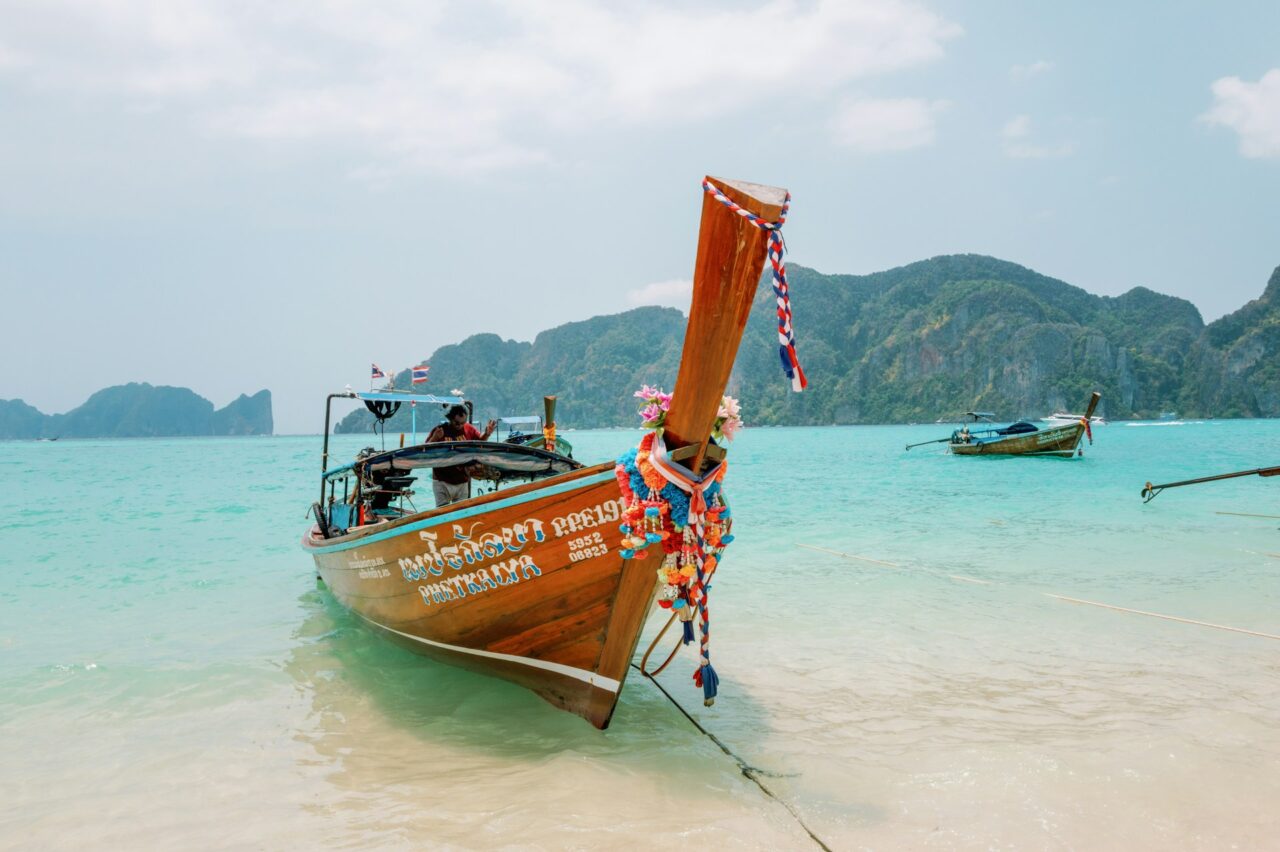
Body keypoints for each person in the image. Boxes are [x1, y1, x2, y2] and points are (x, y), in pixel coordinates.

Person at [426, 404, 497, 506]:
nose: (460, 426)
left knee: (461, 512)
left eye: (463, 423)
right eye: (457, 423)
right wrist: (435, 438)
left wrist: (487, 434)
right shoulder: (440, 430)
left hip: (462, 481)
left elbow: (479, 444)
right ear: (450, 419)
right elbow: (426, 450)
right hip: (442, 481)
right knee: (441, 513)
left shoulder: (469, 429)